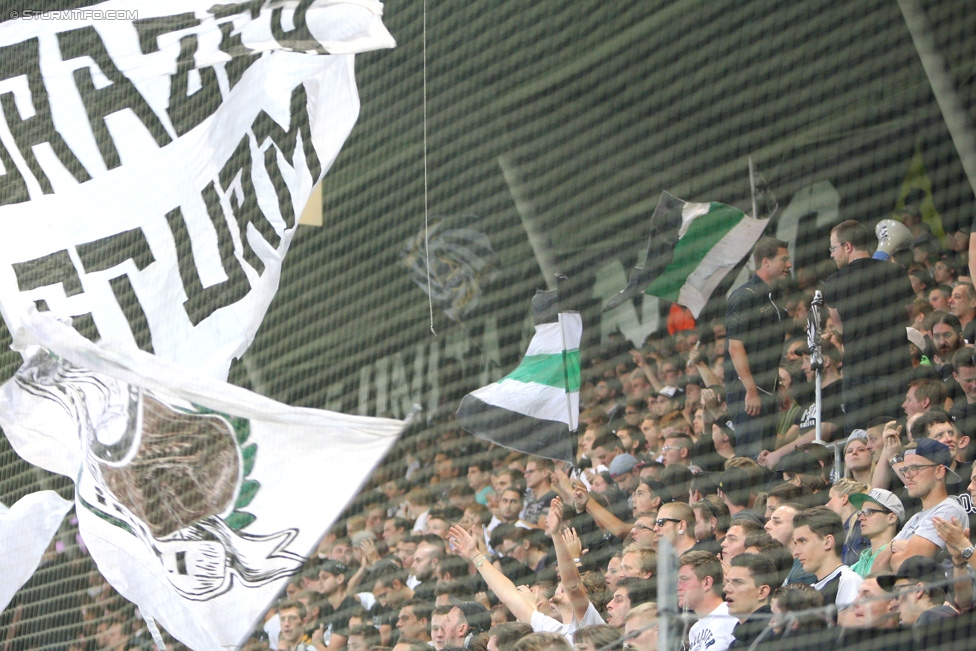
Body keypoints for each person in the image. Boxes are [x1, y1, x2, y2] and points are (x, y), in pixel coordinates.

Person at [823, 220, 916, 433]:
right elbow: (910, 313)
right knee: (897, 429)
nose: (831, 255)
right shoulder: (895, 271)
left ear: (847, 246)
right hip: (896, 365)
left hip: (858, 370)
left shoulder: (833, 281)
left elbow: (838, 326)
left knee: (860, 435)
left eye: (833, 248)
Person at [724, 237, 792, 459]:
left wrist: (778, 383)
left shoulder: (775, 296)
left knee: (768, 454)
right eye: (784, 260)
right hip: (749, 393)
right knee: (753, 459)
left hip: (768, 390)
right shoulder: (744, 296)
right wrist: (751, 391)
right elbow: (735, 348)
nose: (789, 265)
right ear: (765, 262)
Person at [875, 439, 968, 571]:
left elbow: (907, 566)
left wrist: (892, 554)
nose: (907, 476)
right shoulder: (915, 518)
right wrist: (893, 547)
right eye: (905, 469)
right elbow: (875, 571)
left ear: (939, 471)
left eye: (914, 468)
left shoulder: (949, 510)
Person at [790, 507, 863, 623]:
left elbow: (845, 637)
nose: (796, 552)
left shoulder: (848, 581)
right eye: (795, 543)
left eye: (803, 541)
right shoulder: (811, 588)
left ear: (828, 542)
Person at [677, 551, 738, 651]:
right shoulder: (694, 630)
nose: (678, 587)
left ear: (707, 582)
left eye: (684, 579)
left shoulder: (731, 616)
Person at [877, 555, 956, 630]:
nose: (892, 604)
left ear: (919, 590)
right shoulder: (943, 617)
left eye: (897, 593)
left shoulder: (930, 618)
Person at [847, 489, 904, 578]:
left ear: (891, 518)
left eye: (868, 512)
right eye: (860, 513)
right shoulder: (854, 567)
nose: (860, 518)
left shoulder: (897, 558)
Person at [725, 554, 776, 649]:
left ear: (762, 592)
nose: (726, 589)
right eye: (727, 582)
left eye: (738, 582)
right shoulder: (735, 645)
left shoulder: (775, 635)